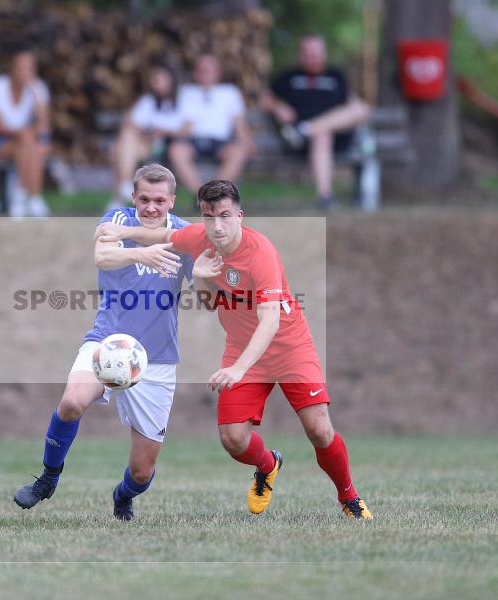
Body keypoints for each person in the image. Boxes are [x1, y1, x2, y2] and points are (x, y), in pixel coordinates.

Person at [95, 179, 373, 519]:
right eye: (209, 216)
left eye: (225, 216)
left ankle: (349, 498)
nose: (217, 226)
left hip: (289, 348)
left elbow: (269, 321)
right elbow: (161, 238)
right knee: (233, 439)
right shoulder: (199, 239)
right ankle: (268, 465)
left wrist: (239, 368)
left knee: (318, 429)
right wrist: (118, 232)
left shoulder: (261, 254)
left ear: (240, 215)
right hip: (242, 348)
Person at [13, 163, 193, 521]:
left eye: (159, 200)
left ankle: (123, 495)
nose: (151, 208)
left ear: (172, 200)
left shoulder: (186, 235)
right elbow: (102, 255)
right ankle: (48, 478)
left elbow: (205, 281)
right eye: (144, 199)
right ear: (133, 197)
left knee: (142, 473)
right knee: (71, 402)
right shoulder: (117, 218)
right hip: (107, 344)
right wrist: (143, 253)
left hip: (156, 359)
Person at [260, 35, 370, 209]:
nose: (313, 58)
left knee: (362, 109)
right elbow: (264, 100)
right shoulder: (289, 77)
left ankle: (304, 129)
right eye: (309, 54)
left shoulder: (336, 75)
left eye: (317, 53)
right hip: (301, 144)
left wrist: (354, 109)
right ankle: (325, 197)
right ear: (300, 55)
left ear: (324, 54)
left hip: (336, 137)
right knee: (322, 136)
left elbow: (352, 103)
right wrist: (278, 106)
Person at [107, 62, 189, 210]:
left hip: (169, 144)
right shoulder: (148, 101)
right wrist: (146, 134)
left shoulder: (184, 99)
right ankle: (123, 188)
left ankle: (120, 195)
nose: (155, 82)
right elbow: (130, 122)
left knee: (117, 150)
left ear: (171, 79)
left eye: (159, 78)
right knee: (123, 141)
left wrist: (163, 131)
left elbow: (188, 128)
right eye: (154, 78)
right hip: (147, 142)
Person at [0, 47, 51, 218]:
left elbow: (44, 127)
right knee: (30, 142)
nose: (26, 72)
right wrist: (22, 133)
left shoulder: (38, 88)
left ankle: (20, 196)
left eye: (30, 67)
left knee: (32, 147)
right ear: (12, 68)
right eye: (22, 67)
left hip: (25, 144)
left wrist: (36, 96)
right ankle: (33, 197)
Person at [168, 54, 252, 195]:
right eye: (201, 71)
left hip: (220, 142)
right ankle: (200, 195)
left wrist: (247, 141)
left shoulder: (230, 92)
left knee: (238, 152)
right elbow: (183, 123)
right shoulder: (187, 92)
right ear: (195, 73)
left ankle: (214, 194)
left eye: (208, 71)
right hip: (192, 140)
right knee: (176, 151)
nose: (204, 74)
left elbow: (238, 121)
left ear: (217, 73)